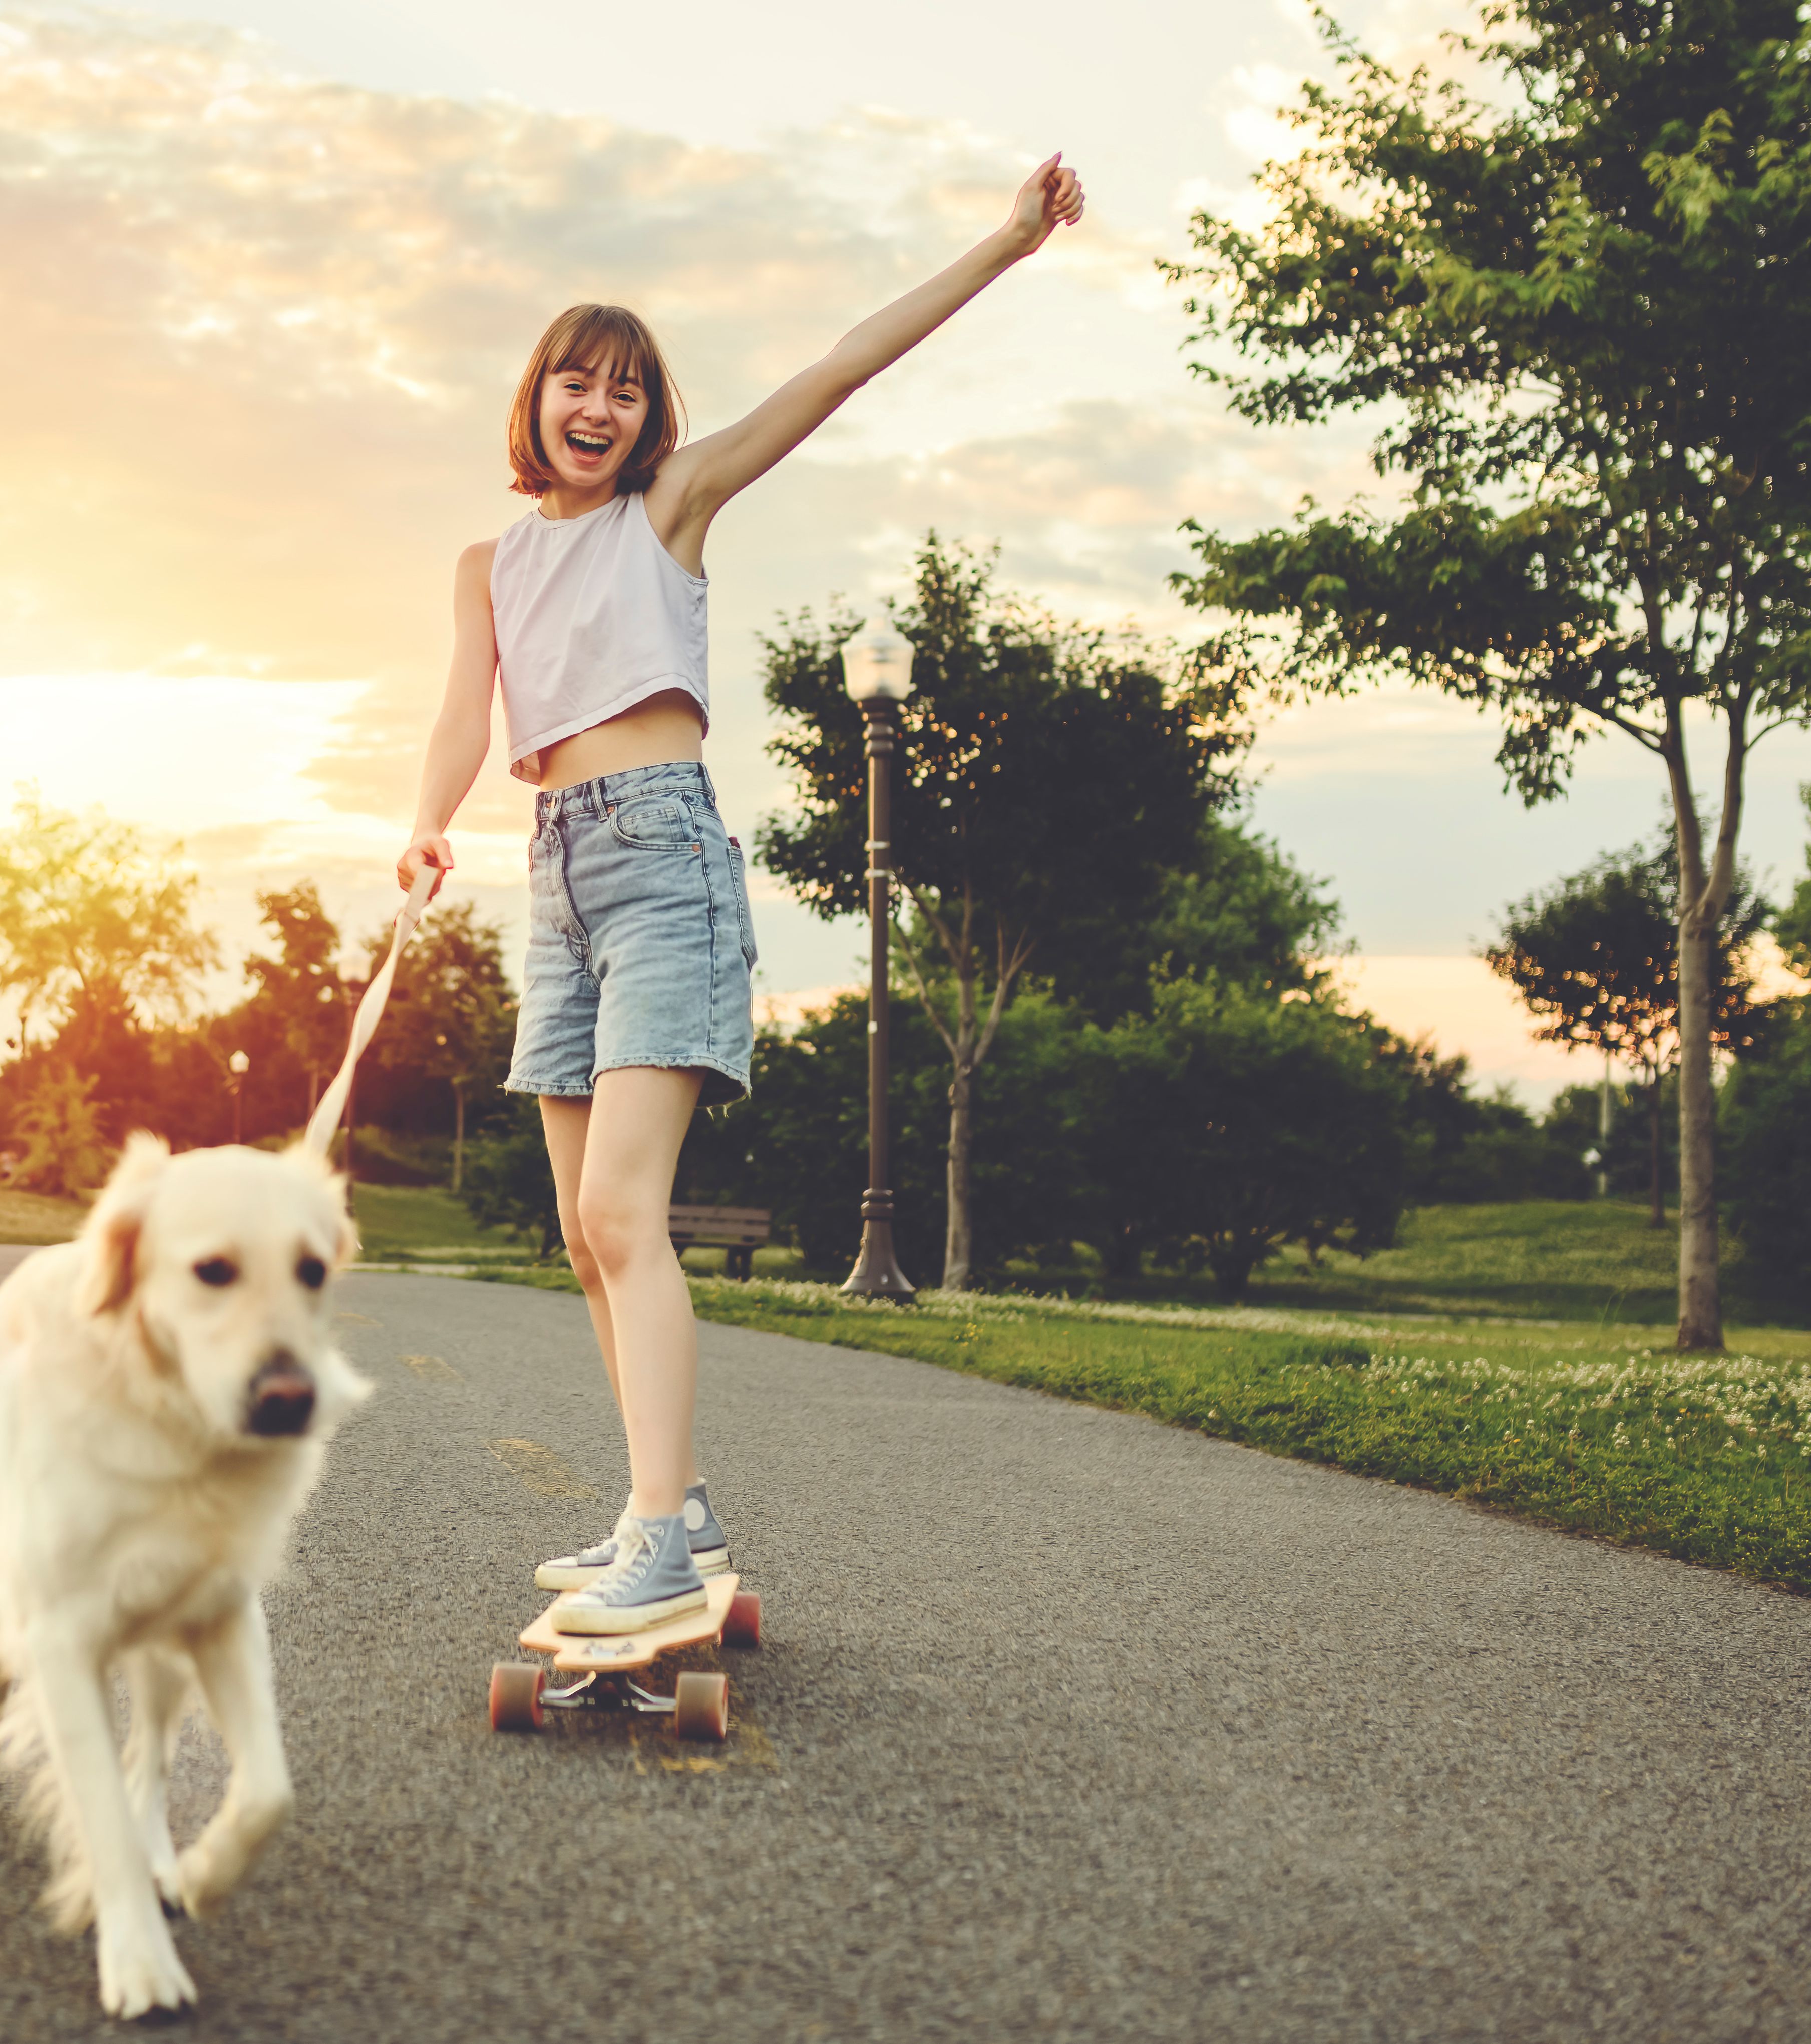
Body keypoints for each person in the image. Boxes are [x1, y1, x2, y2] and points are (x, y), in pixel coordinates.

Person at [394, 153, 1086, 1635]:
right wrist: (427, 824)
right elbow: (465, 712)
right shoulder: (487, 562)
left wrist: (1008, 242)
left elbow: (838, 366)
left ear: (652, 415)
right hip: (555, 878)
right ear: (533, 400)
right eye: (575, 384)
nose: (599, 410)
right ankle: (677, 1509)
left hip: (664, 867)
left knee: (622, 1210)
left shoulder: (672, 506)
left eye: (626, 390)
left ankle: (656, 1532)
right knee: (583, 1230)